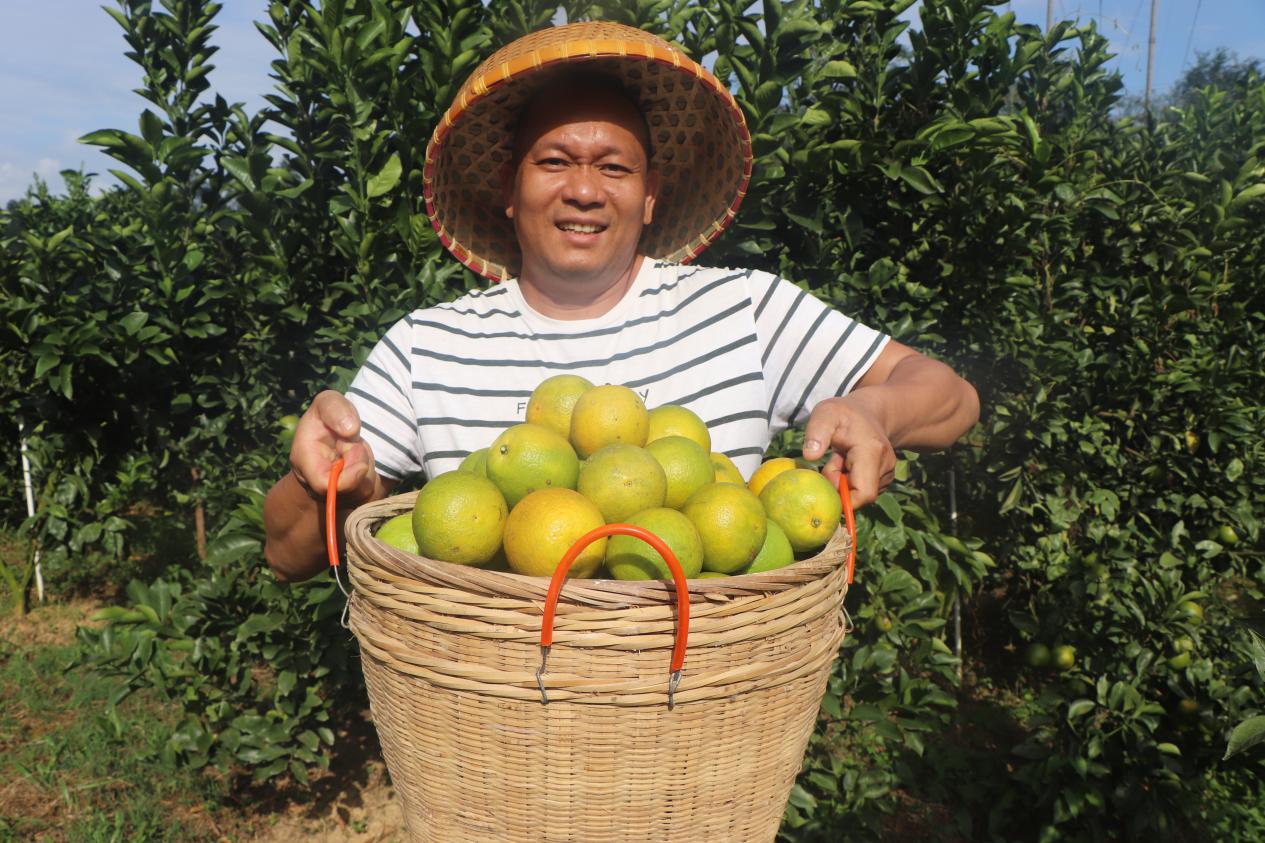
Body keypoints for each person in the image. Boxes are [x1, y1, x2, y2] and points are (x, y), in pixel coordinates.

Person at [263, 22, 979, 583]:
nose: (583, 190)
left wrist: (875, 410)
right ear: (509, 192)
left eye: (614, 167)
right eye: (552, 162)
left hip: (705, 727)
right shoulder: (426, 344)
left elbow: (950, 398)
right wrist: (317, 476)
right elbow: (288, 555)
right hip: (490, 738)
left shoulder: (743, 309)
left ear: (650, 194)